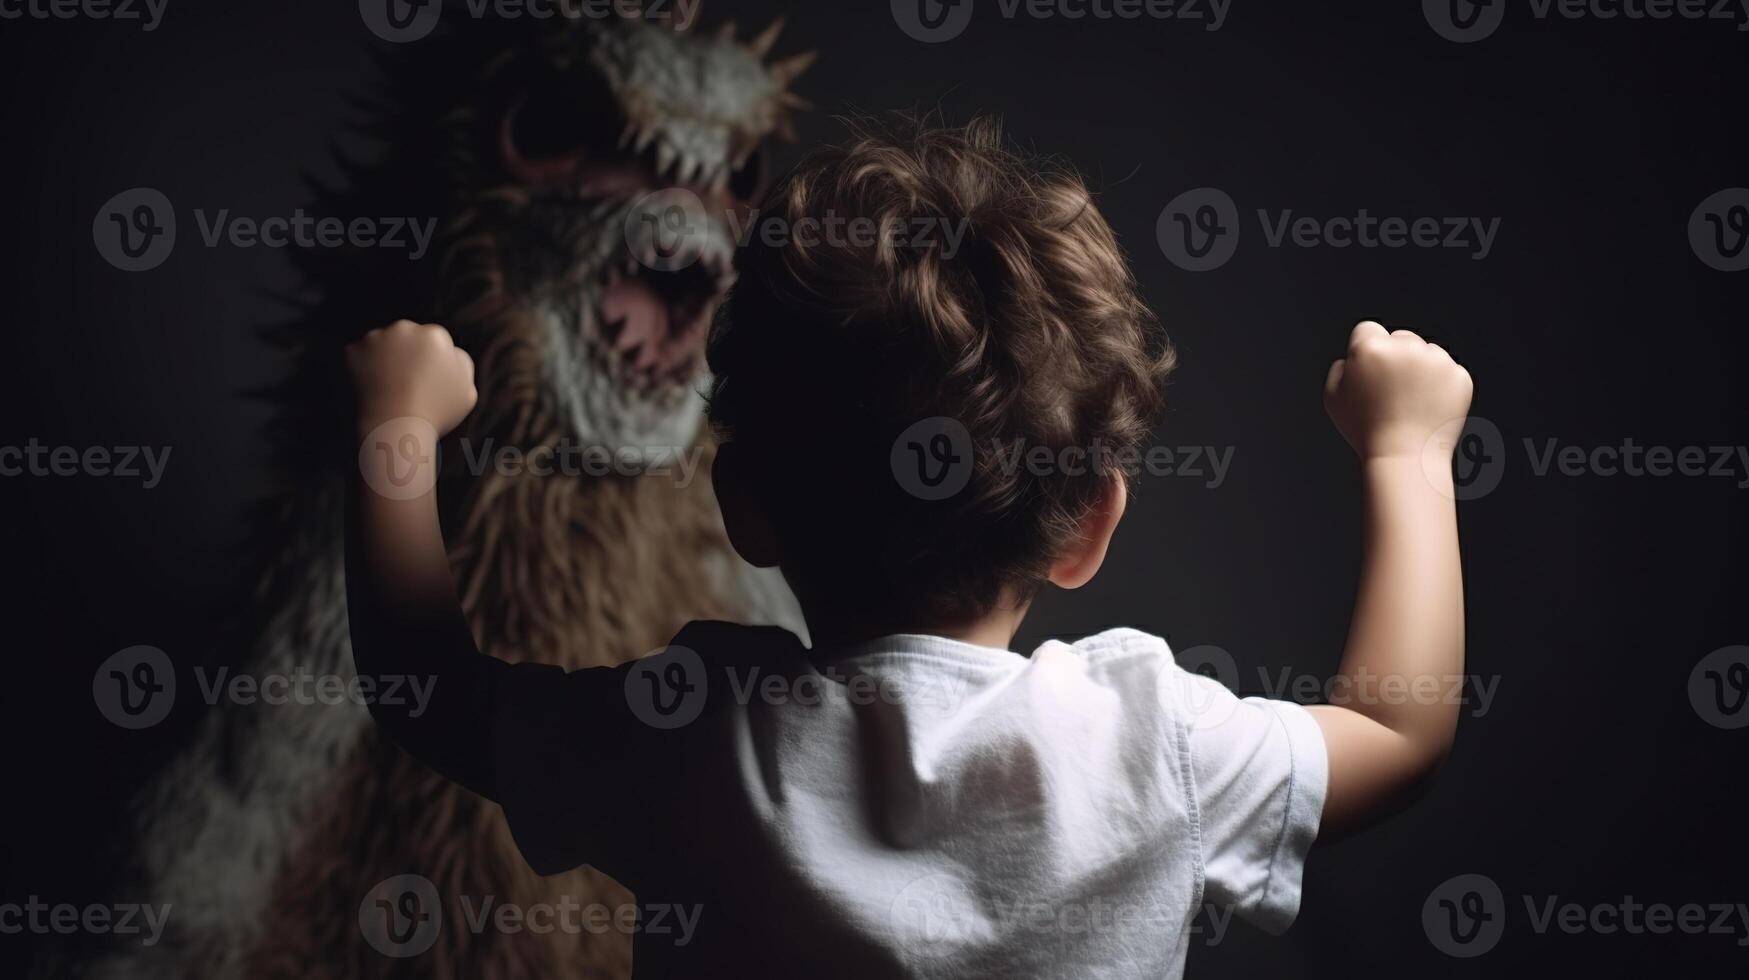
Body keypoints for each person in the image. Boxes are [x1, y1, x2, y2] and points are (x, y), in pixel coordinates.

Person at [344, 116, 1473, 978]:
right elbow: (1394, 727)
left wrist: (396, 428)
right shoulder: (1154, 741)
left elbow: (428, 688)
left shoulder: (689, 738)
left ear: (747, 505)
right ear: (1088, 526)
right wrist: (1408, 454)